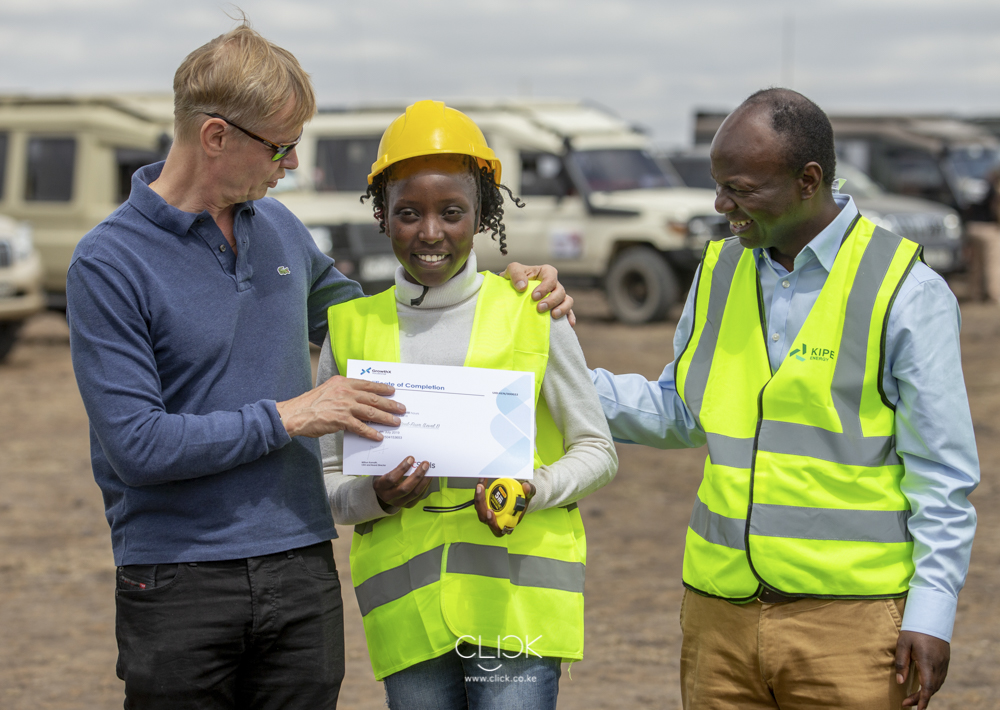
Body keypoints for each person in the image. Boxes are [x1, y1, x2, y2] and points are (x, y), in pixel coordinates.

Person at [66, 23, 572, 710]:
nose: (295, 164)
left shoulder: (279, 230)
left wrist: (506, 294)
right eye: (280, 145)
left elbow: (391, 326)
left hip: (302, 572)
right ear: (216, 137)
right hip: (178, 580)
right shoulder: (108, 263)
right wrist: (291, 416)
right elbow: (137, 447)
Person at [591, 89, 978, 710]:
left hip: (850, 629)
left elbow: (942, 474)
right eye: (719, 188)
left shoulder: (906, 291)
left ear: (808, 180)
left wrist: (931, 614)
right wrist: (547, 379)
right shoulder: (718, 272)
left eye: (740, 189)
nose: (722, 207)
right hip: (719, 621)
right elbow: (682, 410)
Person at [317, 100, 618, 709]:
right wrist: (373, 496)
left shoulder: (533, 313)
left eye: (451, 212)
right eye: (409, 213)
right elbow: (324, 480)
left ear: (481, 213)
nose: (431, 233)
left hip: (517, 611)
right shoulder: (349, 331)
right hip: (411, 622)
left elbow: (598, 449)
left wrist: (533, 485)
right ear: (382, 216)